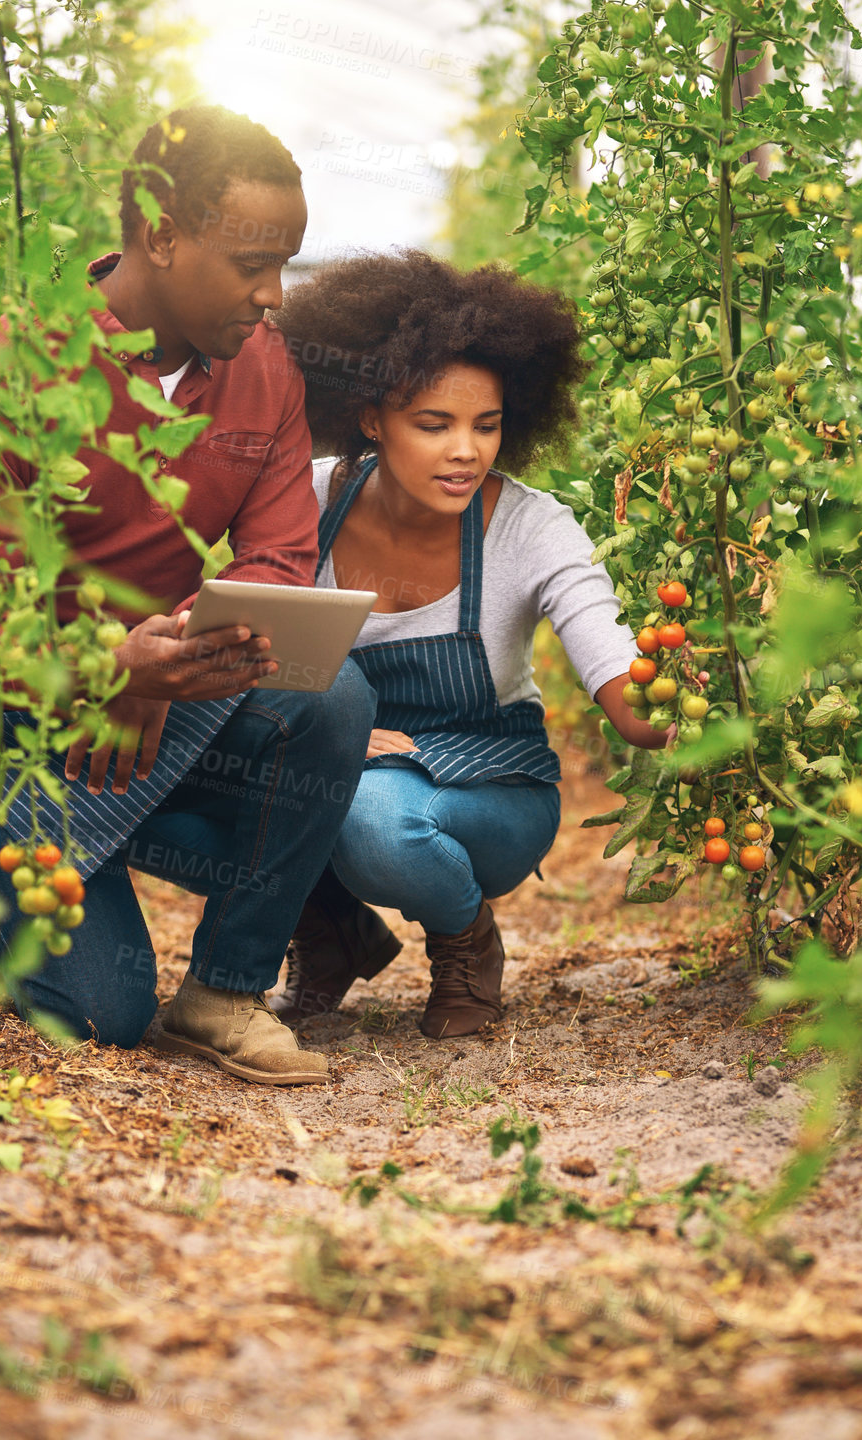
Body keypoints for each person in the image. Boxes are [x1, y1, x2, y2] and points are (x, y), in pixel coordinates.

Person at [0, 107, 374, 1084]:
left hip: (163, 702)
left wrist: (169, 661)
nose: (273, 293)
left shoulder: (266, 372)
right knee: (99, 1016)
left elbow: (282, 558)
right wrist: (107, 663)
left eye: (285, 262)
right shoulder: (15, 368)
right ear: (161, 235)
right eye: (252, 261)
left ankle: (225, 988)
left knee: (333, 699)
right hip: (20, 715)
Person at [269, 251, 671, 1039]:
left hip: (490, 788)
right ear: (370, 417)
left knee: (374, 818)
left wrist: (682, 698)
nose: (466, 451)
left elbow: (619, 677)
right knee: (245, 764)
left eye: (485, 426)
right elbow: (257, 646)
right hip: (339, 763)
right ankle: (330, 934)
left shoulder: (530, 527)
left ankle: (465, 939)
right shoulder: (306, 501)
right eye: (434, 424)